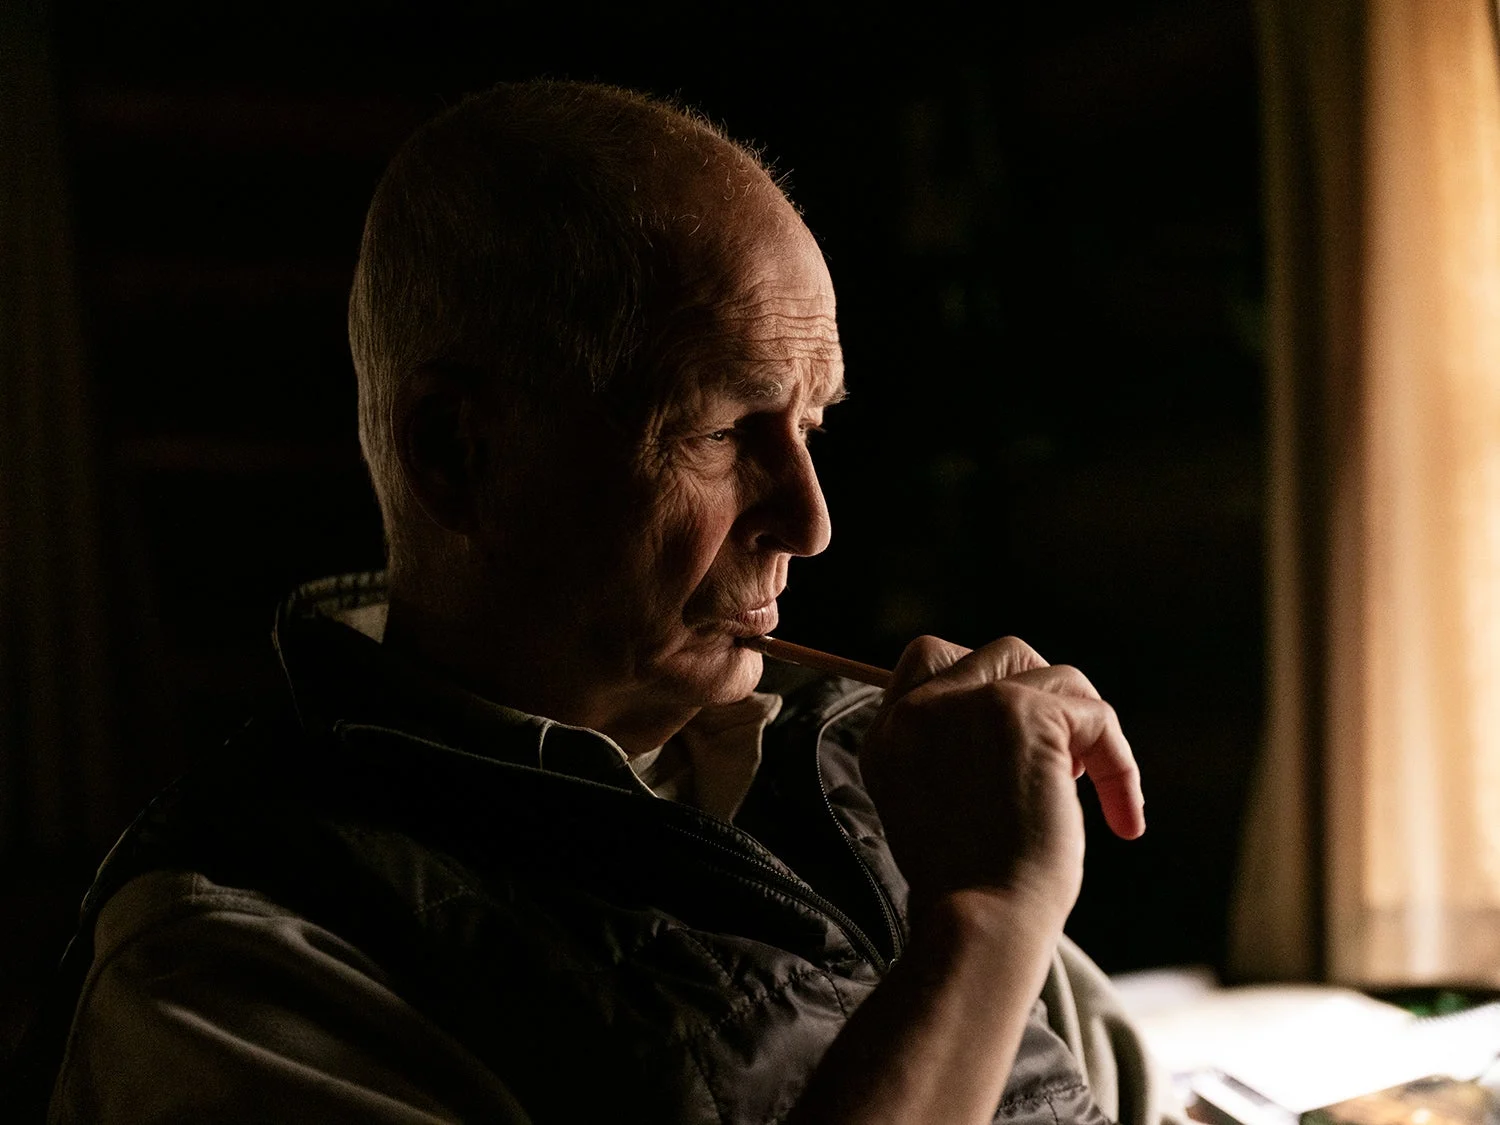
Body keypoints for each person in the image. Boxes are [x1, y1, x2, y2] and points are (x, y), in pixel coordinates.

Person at [31, 80, 1170, 1124]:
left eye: (811, 427)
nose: (811, 521)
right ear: (458, 454)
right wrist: (979, 922)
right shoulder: (236, 956)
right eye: (725, 431)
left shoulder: (867, 780)